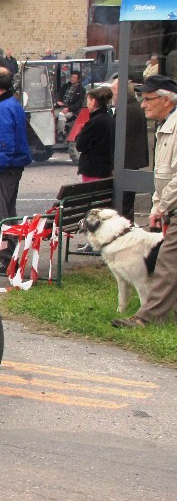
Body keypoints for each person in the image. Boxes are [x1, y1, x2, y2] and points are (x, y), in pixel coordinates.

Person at [113, 76, 177, 328]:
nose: (142, 104)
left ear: (166, 100)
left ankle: (147, 318)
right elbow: (163, 175)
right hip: (171, 206)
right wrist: (157, 207)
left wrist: (163, 205)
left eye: (148, 99)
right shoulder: (166, 125)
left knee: (167, 263)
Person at [0, 67, 33, 272]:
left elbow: (4, 143)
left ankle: (5, 258)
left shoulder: (3, 108)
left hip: (5, 169)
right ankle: (9, 254)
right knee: (8, 213)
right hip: (13, 166)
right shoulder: (13, 103)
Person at [112, 77, 150, 220]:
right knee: (127, 204)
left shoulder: (126, 110)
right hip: (132, 161)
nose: (112, 96)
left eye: (113, 92)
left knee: (123, 205)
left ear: (120, 93)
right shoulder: (134, 106)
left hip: (125, 161)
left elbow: (118, 136)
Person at [75, 87, 115, 183]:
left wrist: (80, 134)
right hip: (106, 167)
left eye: (88, 101)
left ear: (93, 101)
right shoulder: (110, 119)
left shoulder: (94, 122)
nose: (87, 104)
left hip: (93, 168)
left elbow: (80, 145)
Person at [56, 71, 85, 138]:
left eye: (75, 78)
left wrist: (68, 108)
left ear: (78, 79)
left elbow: (78, 104)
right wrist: (58, 101)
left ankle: (61, 133)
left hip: (72, 110)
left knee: (61, 114)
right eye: (72, 77)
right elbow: (59, 95)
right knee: (50, 114)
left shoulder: (81, 90)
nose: (72, 79)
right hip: (61, 107)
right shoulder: (65, 86)